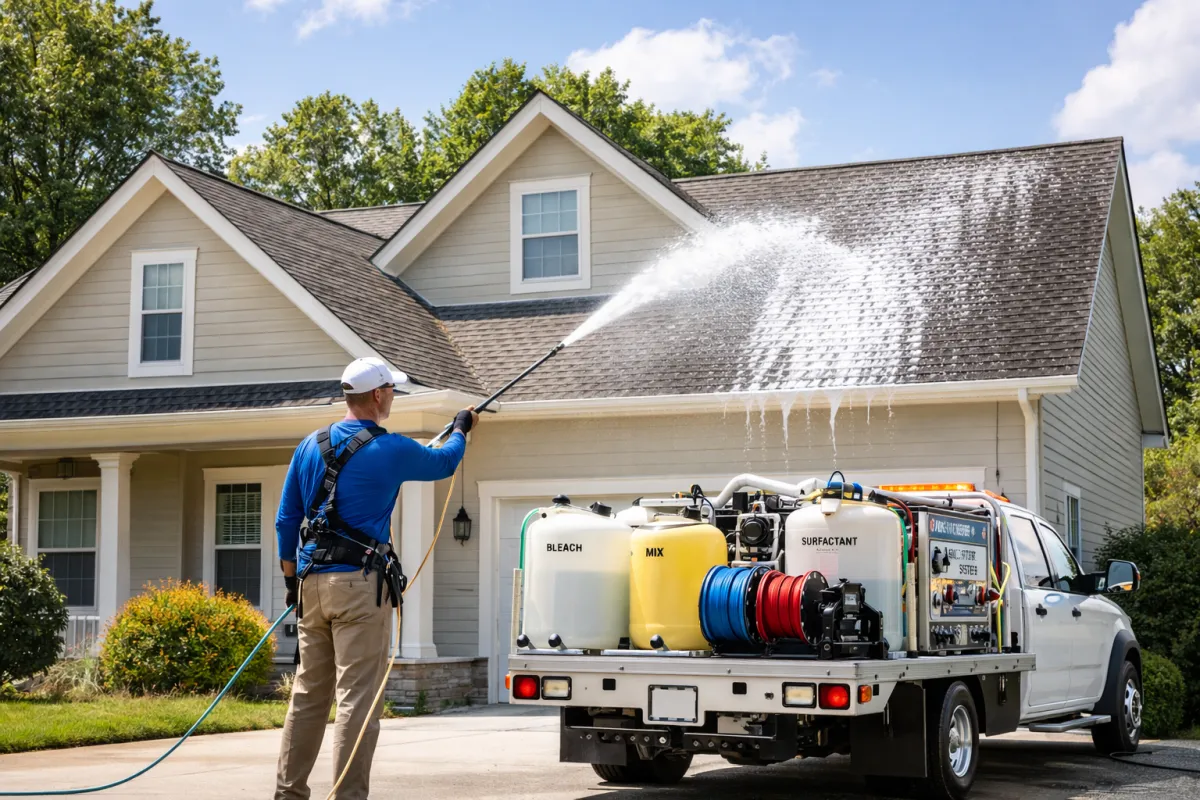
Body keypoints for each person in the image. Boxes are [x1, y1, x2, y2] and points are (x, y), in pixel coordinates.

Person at [275, 357, 478, 800]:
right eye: (392, 393)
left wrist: (292, 582)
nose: (392, 399)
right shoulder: (391, 449)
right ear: (379, 395)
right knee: (357, 699)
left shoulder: (309, 445)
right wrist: (462, 427)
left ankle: (288, 794)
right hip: (358, 586)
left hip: (311, 584)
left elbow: (286, 520)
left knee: (309, 694)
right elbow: (443, 462)